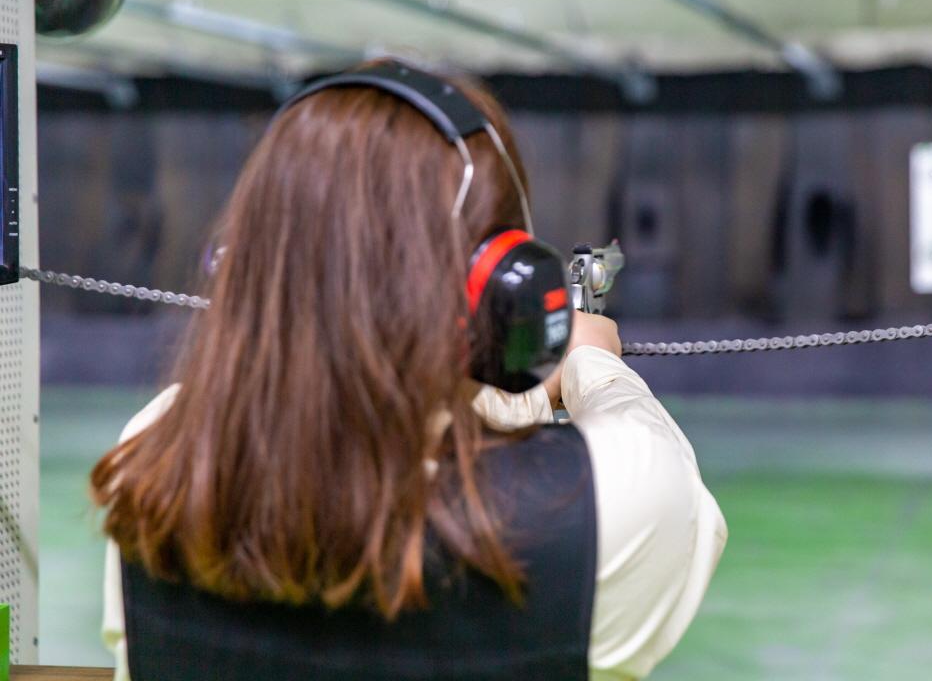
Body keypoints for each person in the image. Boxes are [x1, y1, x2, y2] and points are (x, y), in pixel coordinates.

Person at [91, 59, 727, 680]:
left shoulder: (156, 461)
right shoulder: (615, 502)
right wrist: (587, 363)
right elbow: (640, 457)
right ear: (502, 290)